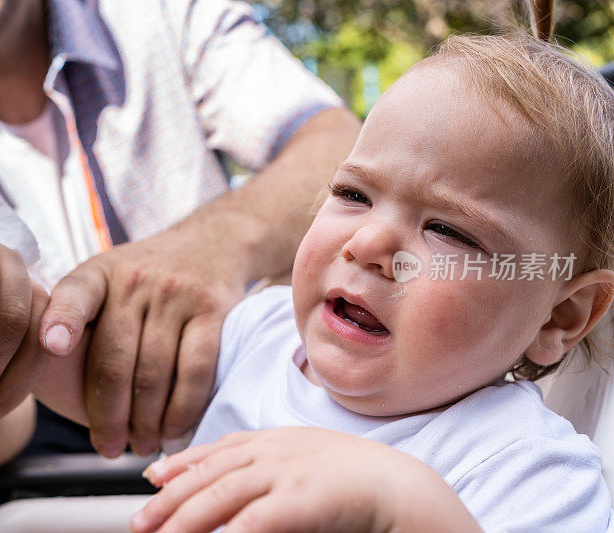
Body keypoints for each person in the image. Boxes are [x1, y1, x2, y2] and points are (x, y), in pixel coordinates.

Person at [36, 29, 614, 532]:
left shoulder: (527, 468)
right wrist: (6, 313)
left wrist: (400, 509)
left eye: (449, 231)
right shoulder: (256, 337)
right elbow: (97, 368)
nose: (367, 244)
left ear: (560, 315)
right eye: (353, 194)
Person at [0, 0, 360, 530]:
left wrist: (211, 246)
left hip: (235, 397)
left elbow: (336, 142)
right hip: (14, 459)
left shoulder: (166, 14)